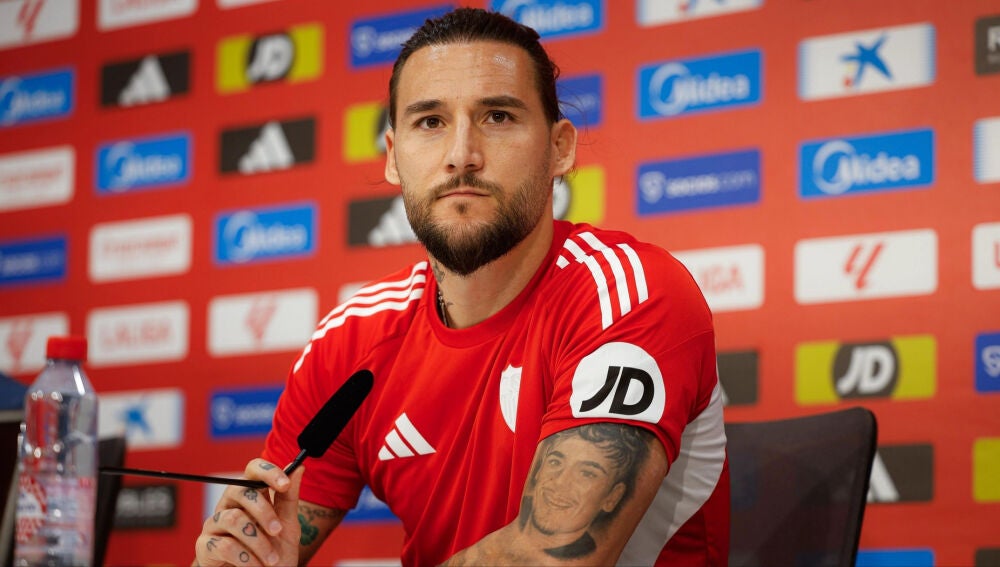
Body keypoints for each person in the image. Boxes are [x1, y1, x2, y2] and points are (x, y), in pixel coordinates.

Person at [194, 7, 729, 566]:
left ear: (560, 148)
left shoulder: (629, 294)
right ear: (393, 157)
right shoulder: (349, 345)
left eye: (498, 116)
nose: (461, 156)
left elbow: (550, 554)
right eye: (430, 122)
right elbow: (271, 538)